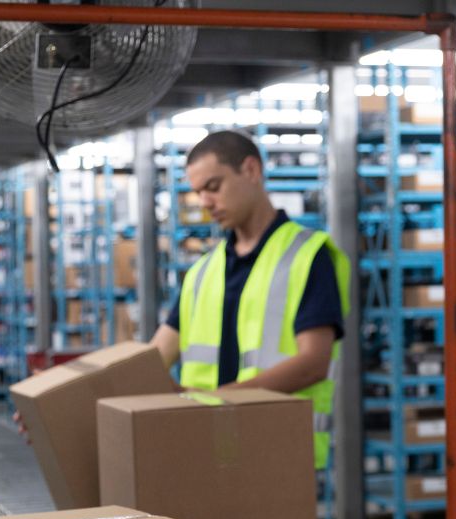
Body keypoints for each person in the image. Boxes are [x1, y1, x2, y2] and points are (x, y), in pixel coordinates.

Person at [149, 130, 350, 471]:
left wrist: (218, 400)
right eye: (198, 192)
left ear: (252, 170)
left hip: (276, 454)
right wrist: (63, 406)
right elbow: (154, 358)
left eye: (213, 187)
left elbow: (314, 361)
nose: (205, 202)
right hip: (207, 451)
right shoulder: (202, 271)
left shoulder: (307, 255)